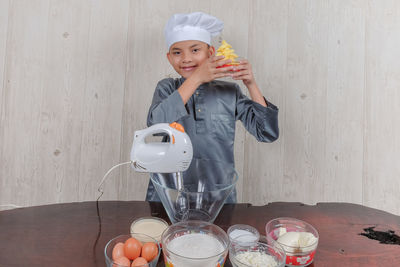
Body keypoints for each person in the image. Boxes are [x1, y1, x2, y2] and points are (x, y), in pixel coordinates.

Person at [145, 12, 279, 202]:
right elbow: (155, 126)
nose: (185, 58)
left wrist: (251, 83)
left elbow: (266, 133)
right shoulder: (167, 88)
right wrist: (198, 77)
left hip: (217, 194)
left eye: (195, 50)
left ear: (210, 53)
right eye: (177, 52)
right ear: (169, 58)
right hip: (168, 193)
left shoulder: (229, 92)